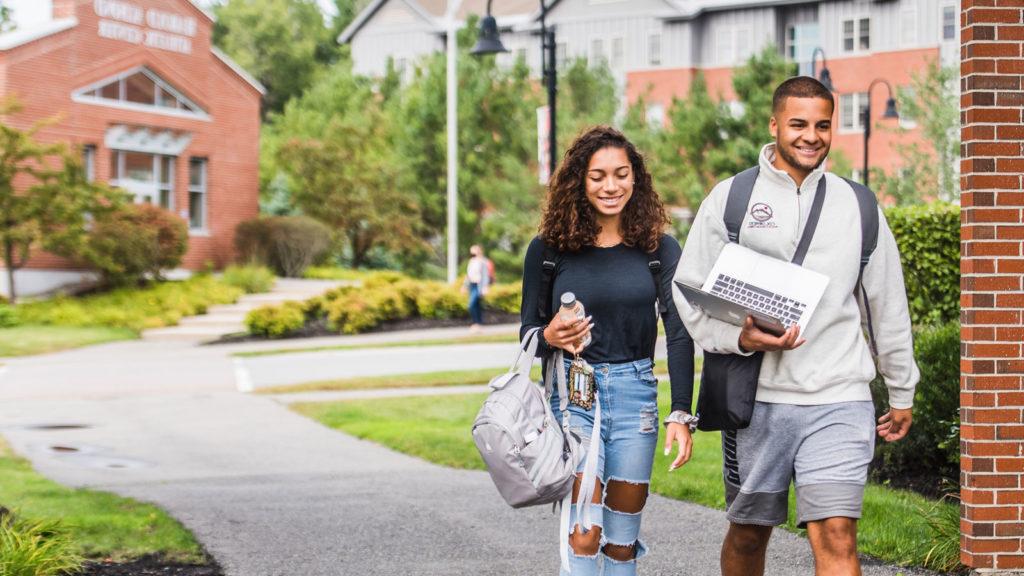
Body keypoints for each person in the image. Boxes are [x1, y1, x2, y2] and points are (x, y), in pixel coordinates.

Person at [673, 77, 919, 576]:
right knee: (748, 536)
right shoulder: (732, 198)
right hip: (758, 401)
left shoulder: (860, 206)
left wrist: (901, 389)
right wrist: (737, 338)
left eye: (823, 125)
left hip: (839, 396)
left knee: (836, 534)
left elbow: (887, 304)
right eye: (799, 124)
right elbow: (688, 290)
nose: (812, 136)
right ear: (774, 126)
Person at [520, 126, 696, 575]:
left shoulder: (657, 249)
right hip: (573, 397)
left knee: (621, 542)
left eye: (621, 174)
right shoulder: (548, 250)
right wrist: (550, 336)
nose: (611, 186)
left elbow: (678, 331)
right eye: (598, 176)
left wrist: (680, 412)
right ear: (579, 180)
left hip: (635, 397)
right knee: (584, 535)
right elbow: (527, 332)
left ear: (635, 178)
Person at [463, 244, 490, 332]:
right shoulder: (471, 261)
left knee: (472, 304)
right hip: (472, 284)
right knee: (476, 305)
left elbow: (485, 276)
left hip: (479, 285)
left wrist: (485, 287)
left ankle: (477, 323)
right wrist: (464, 286)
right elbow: (468, 275)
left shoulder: (483, 262)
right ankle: (477, 323)